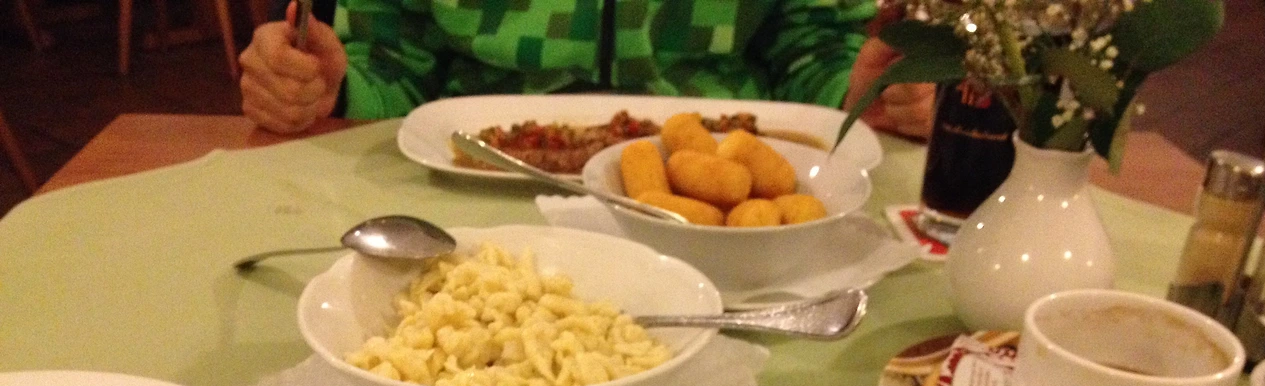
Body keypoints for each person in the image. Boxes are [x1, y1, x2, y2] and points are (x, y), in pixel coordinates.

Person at [239, 0, 933, 140]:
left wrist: (862, 95)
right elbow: (393, 64)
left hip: (719, 183)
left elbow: (809, 46)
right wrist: (327, 91)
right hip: (474, 185)